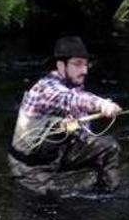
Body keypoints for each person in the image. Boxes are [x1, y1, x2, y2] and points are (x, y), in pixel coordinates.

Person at [9, 36, 123, 196]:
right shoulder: (45, 88)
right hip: (30, 167)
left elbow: (83, 132)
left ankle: (108, 195)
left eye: (85, 64)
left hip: (58, 154)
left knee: (108, 147)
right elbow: (69, 100)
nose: (84, 70)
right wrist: (101, 104)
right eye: (77, 64)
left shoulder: (74, 86)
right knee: (50, 207)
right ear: (60, 65)